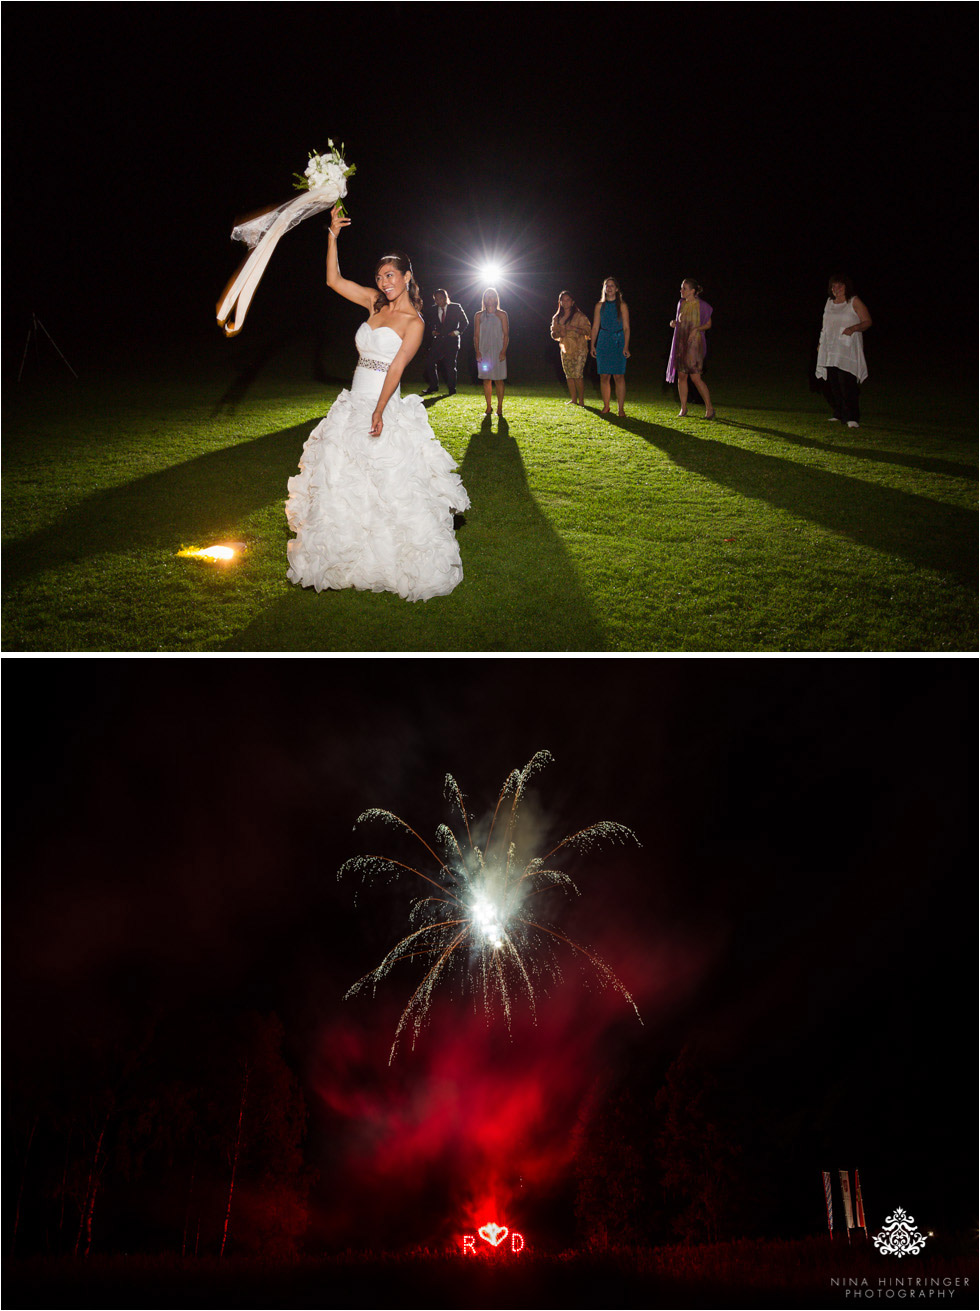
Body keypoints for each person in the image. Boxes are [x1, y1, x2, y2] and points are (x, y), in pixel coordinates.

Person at [285, 204, 469, 602]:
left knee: (390, 485)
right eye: (379, 276)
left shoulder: (415, 323)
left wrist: (379, 410)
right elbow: (333, 280)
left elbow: (397, 368)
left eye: (390, 276)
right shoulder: (374, 304)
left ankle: (393, 559)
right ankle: (346, 557)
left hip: (381, 402)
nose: (384, 282)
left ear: (407, 277)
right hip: (354, 400)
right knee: (343, 480)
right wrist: (332, 234)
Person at [815, 273, 871, 428]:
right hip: (831, 348)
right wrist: (821, 343)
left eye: (839, 285)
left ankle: (852, 417)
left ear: (846, 287)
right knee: (833, 384)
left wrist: (854, 328)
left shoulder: (854, 301)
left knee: (847, 383)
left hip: (846, 349)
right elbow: (825, 326)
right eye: (833, 286)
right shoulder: (829, 303)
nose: (836, 288)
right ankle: (839, 413)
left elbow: (867, 321)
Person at [667, 279, 715, 418]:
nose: (681, 291)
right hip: (682, 343)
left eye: (685, 288)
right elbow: (680, 321)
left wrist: (697, 329)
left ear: (693, 291)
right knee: (681, 376)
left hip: (694, 344)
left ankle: (709, 409)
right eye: (681, 288)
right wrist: (674, 323)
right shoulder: (681, 303)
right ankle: (683, 408)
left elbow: (708, 324)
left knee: (695, 377)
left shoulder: (702, 306)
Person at [590, 277, 630, 415]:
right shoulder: (599, 306)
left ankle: (621, 408)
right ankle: (606, 406)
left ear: (617, 289)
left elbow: (626, 328)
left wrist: (626, 346)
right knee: (604, 376)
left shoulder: (622, 306)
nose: (609, 288)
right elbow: (595, 327)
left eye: (612, 286)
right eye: (607, 286)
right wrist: (592, 345)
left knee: (619, 376)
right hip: (603, 341)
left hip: (618, 341)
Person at [421, 288, 468, 395]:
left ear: (446, 298)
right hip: (438, 341)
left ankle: (452, 389)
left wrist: (456, 332)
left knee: (450, 366)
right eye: (436, 299)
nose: (438, 301)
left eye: (440, 298)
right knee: (429, 362)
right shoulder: (433, 309)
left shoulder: (456, 307)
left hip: (451, 341)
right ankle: (433, 386)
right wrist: (433, 331)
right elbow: (430, 323)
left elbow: (465, 322)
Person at [550, 291, 591, 404]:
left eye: (568, 300)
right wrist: (558, 334)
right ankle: (573, 399)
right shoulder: (557, 317)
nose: (565, 302)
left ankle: (581, 400)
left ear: (572, 302)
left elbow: (588, 331)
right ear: (560, 302)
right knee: (569, 375)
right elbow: (553, 333)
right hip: (565, 348)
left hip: (579, 348)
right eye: (563, 300)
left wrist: (574, 329)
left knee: (577, 374)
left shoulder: (580, 316)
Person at [473, 288, 509, 417]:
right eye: (487, 296)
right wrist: (477, 351)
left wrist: (503, 351)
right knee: (486, 379)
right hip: (484, 351)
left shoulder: (502, 315)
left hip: (498, 350)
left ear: (496, 299)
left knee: (499, 380)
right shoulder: (478, 316)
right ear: (484, 299)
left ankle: (500, 406)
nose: (490, 299)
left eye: (492, 296)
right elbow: (476, 336)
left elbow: (506, 335)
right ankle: (488, 406)